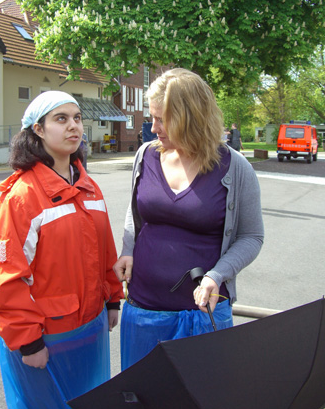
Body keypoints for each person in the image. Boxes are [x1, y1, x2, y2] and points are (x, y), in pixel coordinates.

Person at [0, 91, 123, 409]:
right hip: (42, 340)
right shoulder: (21, 197)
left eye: (77, 118)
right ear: (39, 131)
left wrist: (111, 298)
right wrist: (28, 343)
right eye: (61, 119)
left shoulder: (89, 188)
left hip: (87, 332)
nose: (74, 126)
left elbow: (105, 252)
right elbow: (4, 279)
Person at [113, 68, 264, 371]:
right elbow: (136, 211)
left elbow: (251, 237)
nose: (153, 127)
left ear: (190, 117)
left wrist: (217, 275)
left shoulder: (234, 168)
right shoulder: (146, 156)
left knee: (201, 406)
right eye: (151, 117)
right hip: (143, 309)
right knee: (144, 405)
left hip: (202, 314)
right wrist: (128, 248)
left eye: (161, 119)